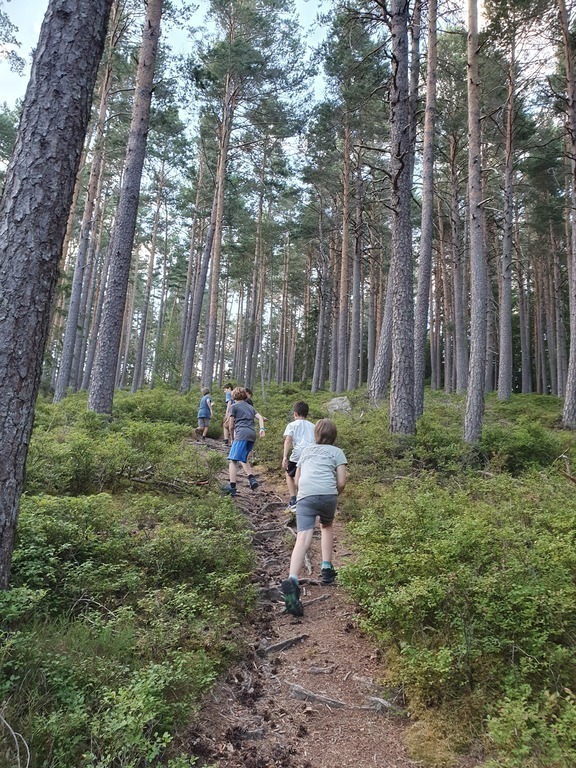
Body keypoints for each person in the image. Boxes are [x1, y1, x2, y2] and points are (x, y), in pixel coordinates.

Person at [280, 419, 347, 617]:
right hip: (328, 494)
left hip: (305, 495)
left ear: (315, 435)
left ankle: (292, 579)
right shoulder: (337, 452)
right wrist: (334, 492)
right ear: (334, 436)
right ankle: (327, 568)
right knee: (326, 526)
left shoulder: (306, 451)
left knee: (303, 537)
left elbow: (298, 480)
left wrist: (307, 493)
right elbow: (342, 482)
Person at [223, 386, 266, 497]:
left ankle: (232, 487)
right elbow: (260, 417)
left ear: (233, 396)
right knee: (243, 458)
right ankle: (252, 479)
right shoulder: (250, 407)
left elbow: (231, 426)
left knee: (232, 460)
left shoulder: (234, 407)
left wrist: (232, 438)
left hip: (241, 435)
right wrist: (262, 429)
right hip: (252, 435)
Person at [282, 401, 315, 511]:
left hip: (298, 454)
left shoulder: (292, 425)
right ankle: (305, 500)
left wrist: (285, 457)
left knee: (289, 474)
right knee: (305, 476)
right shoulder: (313, 426)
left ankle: (293, 500)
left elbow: (288, 440)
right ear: (307, 414)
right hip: (311, 454)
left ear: (295, 414)